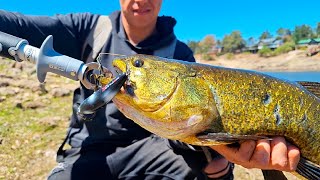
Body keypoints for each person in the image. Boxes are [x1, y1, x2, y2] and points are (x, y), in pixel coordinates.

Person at [0, 0, 300, 179]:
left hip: (155, 147)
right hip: (90, 150)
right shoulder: (90, 28)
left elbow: (192, 126)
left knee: (213, 169)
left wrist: (218, 156)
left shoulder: (179, 53)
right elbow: (19, 25)